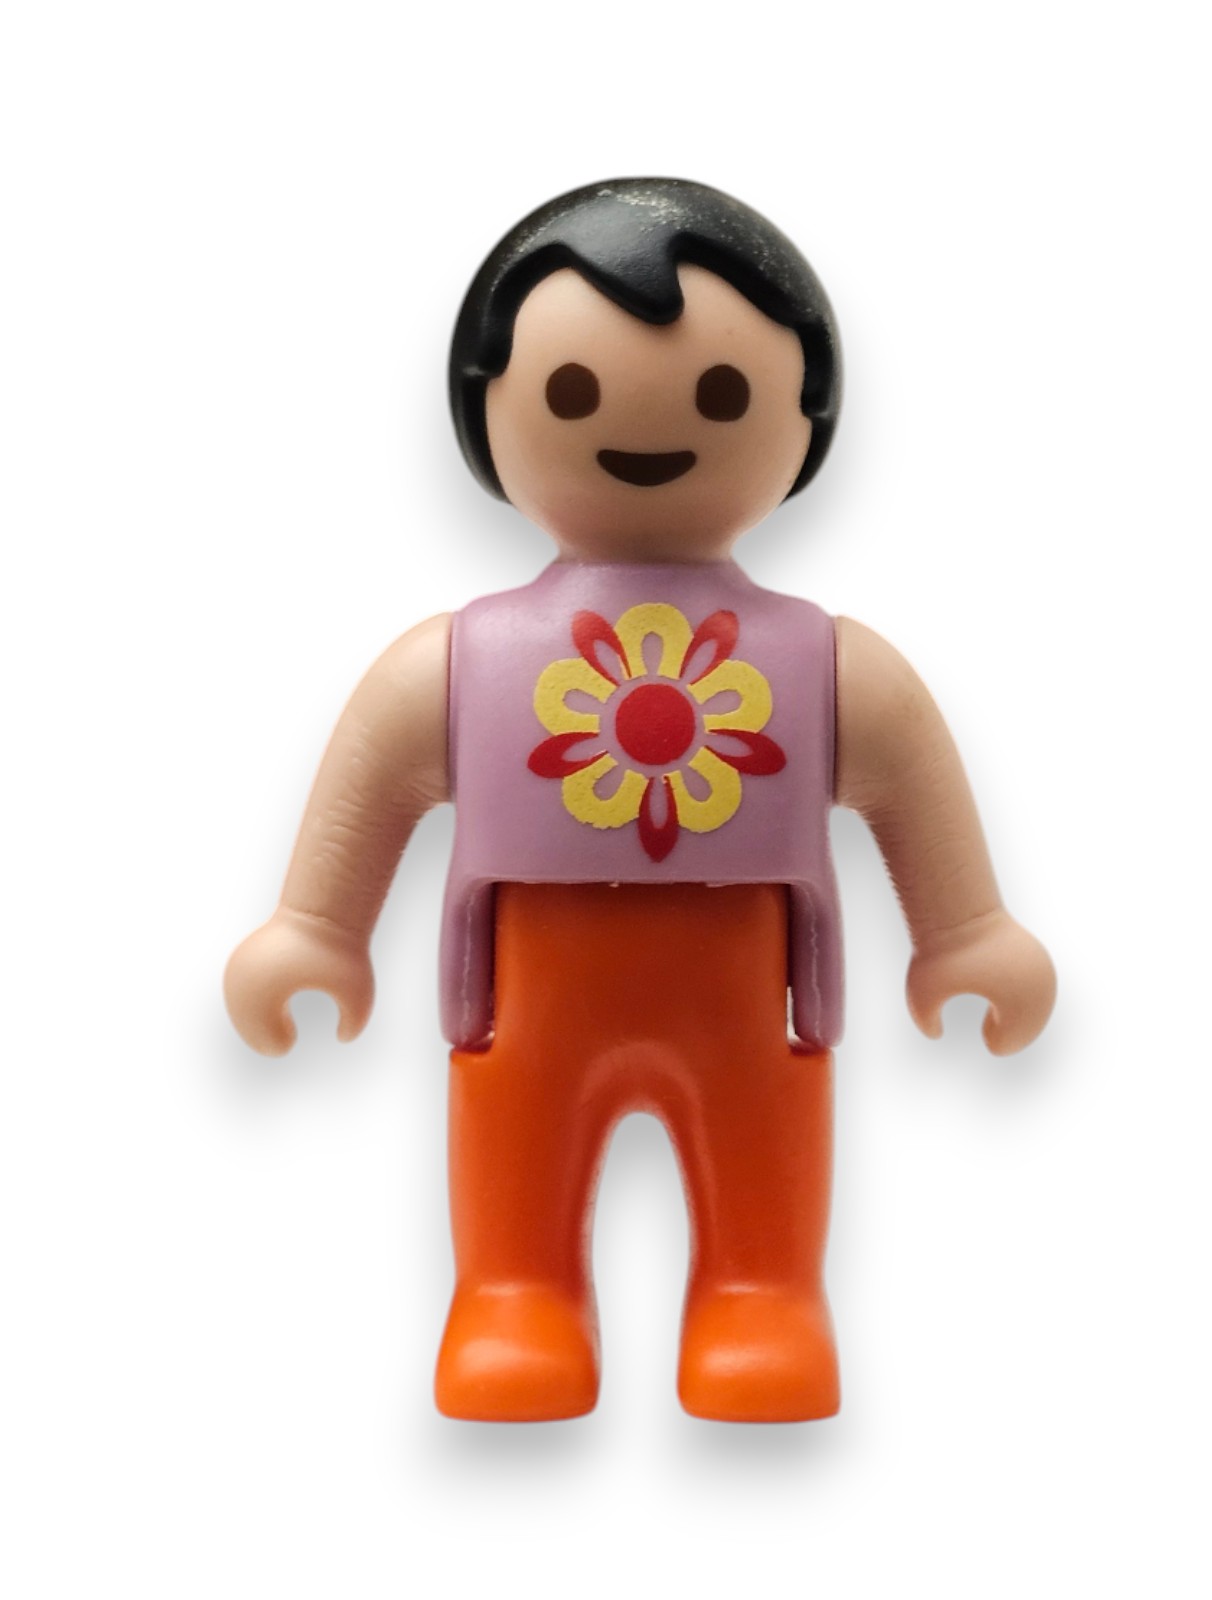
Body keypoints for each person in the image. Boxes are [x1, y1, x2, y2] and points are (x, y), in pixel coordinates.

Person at [225, 178, 1056, 1422]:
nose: (655, 425)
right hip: (528, 992)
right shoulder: (462, 661)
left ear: (806, 418)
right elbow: (375, 779)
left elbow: (910, 782)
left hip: (747, 989)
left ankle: (761, 1297)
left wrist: (967, 932)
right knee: (517, 1142)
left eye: (725, 394)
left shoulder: (822, 664)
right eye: (567, 392)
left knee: (760, 1149)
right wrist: (316, 928)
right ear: (484, 411)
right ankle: (512, 1297)